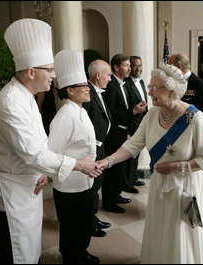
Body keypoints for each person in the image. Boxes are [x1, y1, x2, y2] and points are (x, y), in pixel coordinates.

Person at [0, 19, 100, 264]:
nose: (54, 75)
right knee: (17, 253)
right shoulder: (10, 103)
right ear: (31, 71)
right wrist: (79, 165)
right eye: (49, 69)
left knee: (30, 251)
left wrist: (42, 173)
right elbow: (33, 154)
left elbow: (36, 147)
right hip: (13, 193)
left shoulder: (25, 96)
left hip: (28, 186)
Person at [97, 63, 203, 263]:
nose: (149, 92)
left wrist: (176, 166)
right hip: (160, 186)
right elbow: (133, 144)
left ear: (171, 90)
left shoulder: (196, 118)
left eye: (154, 87)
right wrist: (106, 162)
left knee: (179, 232)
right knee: (162, 229)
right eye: (149, 86)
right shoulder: (152, 115)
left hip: (185, 188)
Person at [47, 49, 99, 264]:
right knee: (72, 227)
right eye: (83, 86)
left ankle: (81, 253)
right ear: (69, 90)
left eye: (88, 85)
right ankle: (72, 258)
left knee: (85, 224)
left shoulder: (81, 110)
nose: (88, 89)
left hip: (86, 180)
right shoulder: (64, 117)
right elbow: (52, 154)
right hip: (69, 185)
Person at [101, 53, 146, 213]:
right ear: (116, 67)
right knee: (113, 168)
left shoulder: (123, 84)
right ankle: (109, 202)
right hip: (113, 133)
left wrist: (127, 129)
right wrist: (133, 111)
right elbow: (111, 113)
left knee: (119, 168)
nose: (130, 68)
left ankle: (116, 195)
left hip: (122, 131)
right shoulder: (111, 85)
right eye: (126, 65)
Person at [82, 59, 113, 237]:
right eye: (108, 75)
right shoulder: (87, 92)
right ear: (98, 75)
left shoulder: (97, 92)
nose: (110, 79)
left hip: (100, 146)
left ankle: (93, 218)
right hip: (91, 148)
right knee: (91, 187)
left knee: (96, 185)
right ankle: (89, 223)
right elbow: (82, 121)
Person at [168, 52, 203, 129]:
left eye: (171, 68)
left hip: (192, 129)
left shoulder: (199, 85)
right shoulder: (174, 82)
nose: (169, 71)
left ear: (179, 68)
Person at [123, 55, 148, 194]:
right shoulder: (125, 84)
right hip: (131, 123)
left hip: (142, 122)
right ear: (130, 67)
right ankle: (127, 183)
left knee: (137, 153)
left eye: (140, 65)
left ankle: (133, 178)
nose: (137, 68)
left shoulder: (142, 82)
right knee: (130, 154)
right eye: (134, 65)